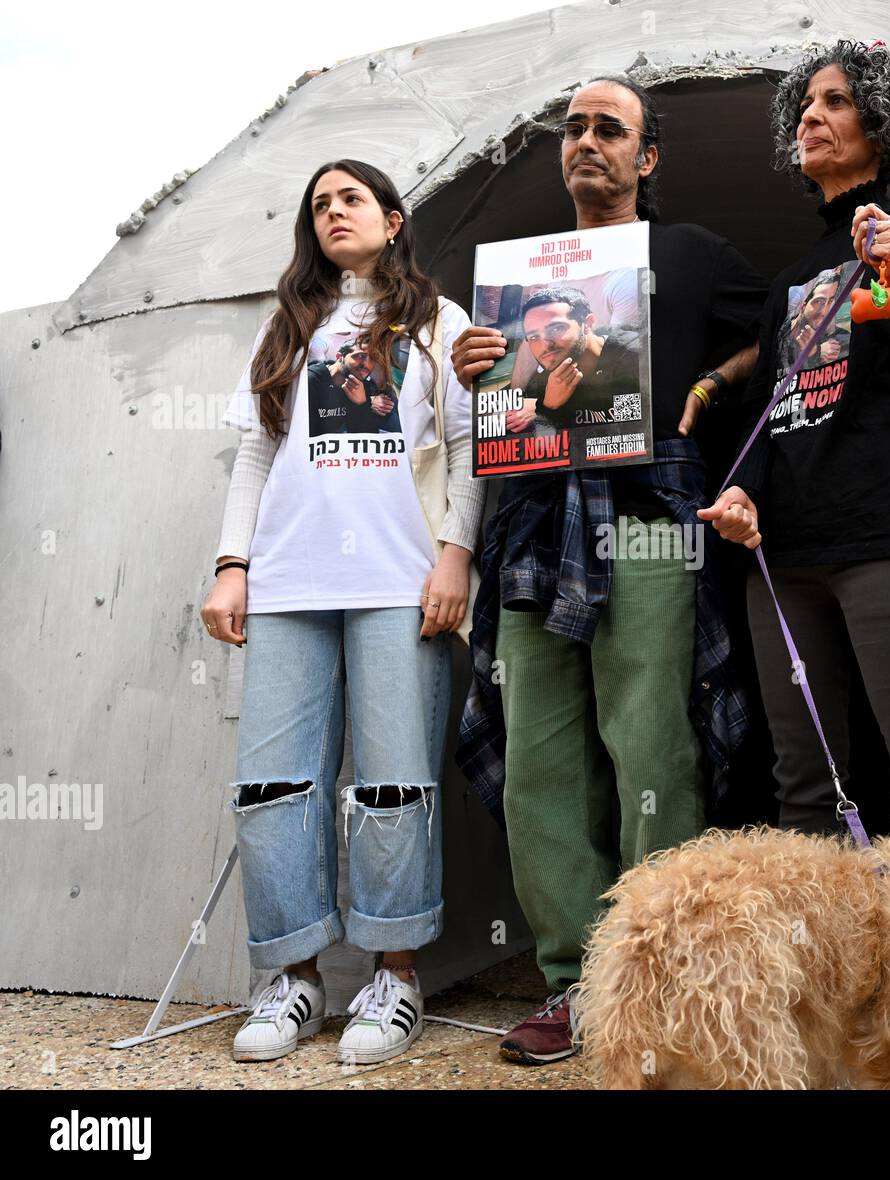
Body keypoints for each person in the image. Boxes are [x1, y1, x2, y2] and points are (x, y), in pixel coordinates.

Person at [699, 40, 890, 1089]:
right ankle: (835, 1016)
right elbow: (780, 417)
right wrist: (746, 494)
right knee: (806, 793)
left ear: (880, 124)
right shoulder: (791, 271)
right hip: (786, 558)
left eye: (838, 102)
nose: (814, 118)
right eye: (807, 105)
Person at [452, 75, 769, 1065]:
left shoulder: (689, 254)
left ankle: (660, 982)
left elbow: (791, 326)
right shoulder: (515, 282)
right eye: (573, 128)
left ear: (648, 156)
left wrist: (711, 385)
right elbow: (507, 401)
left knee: (648, 749)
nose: (585, 141)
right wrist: (477, 363)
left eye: (609, 128)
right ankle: (572, 984)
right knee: (539, 763)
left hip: (645, 517)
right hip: (534, 519)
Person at [200, 159, 484, 1065]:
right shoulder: (289, 327)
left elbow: (475, 447)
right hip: (287, 582)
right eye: (318, 203)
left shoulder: (440, 322)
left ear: (394, 221)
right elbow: (256, 453)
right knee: (273, 786)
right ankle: (293, 981)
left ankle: (394, 975)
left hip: (401, 580)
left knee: (394, 783)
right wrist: (231, 565)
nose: (333, 212)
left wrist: (455, 558)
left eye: (351, 198)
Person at [518, 286, 642, 427]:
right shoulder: (545, 376)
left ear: (588, 324)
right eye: (534, 337)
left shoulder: (633, 357)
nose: (545, 345)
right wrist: (548, 405)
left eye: (556, 328)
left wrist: (546, 408)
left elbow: (631, 428)